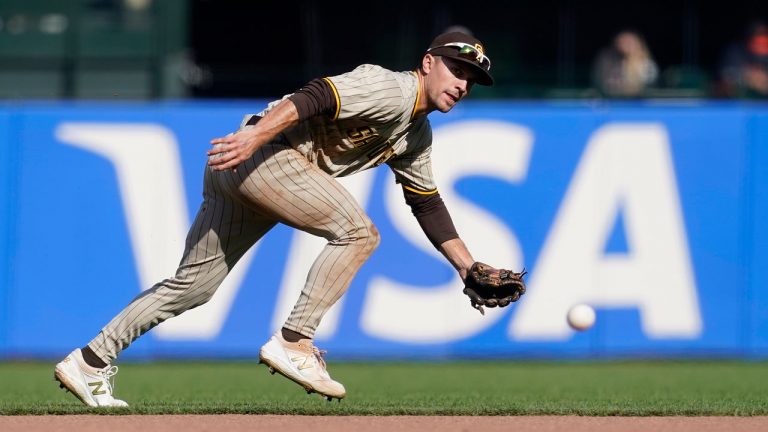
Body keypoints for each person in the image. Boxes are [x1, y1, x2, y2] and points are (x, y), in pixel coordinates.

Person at [54, 31, 517, 406]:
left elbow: (427, 202)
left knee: (193, 286)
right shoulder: (393, 88)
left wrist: (465, 266)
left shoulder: (416, 133)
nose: (462, 83)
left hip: (252, 165)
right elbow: (318, 94)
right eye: (457, 69)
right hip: (265, 151)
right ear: (429, 62)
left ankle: (89, 361)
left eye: (471, 79)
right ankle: (295, 342)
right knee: (358, 233)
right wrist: (255, 139)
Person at [592, 30, 659, 97]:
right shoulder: (606, 60)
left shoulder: (647, 65)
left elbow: (647, 88)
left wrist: (633, 65)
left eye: (630, 42)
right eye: (622, 42)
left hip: (640, 102)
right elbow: (603, 84)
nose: (626, 45)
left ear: (638, 43)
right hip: (613, 101)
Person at [718, 21, 768, 98]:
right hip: (736, 102)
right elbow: (725, 75)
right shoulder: (735, 52)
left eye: (764, 43)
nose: (761, 47)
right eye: (758, 43)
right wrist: (748, 77)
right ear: (749, 41)